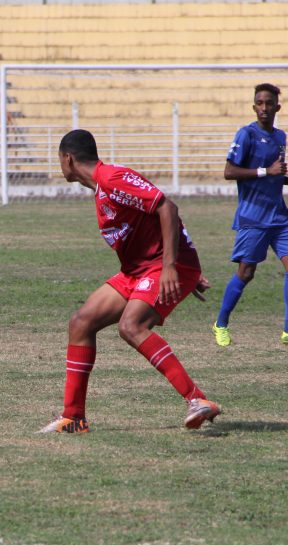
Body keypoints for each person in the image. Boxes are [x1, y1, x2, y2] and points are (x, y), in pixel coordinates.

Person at [41, 129, 221, 434]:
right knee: (81, 323)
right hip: (138, 270)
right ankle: (73, 417)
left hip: (157, 268)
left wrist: (171, 268)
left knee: (131, 326)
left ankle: (198, 400)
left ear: (67, 159)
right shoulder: (101, 187)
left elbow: (167, 207)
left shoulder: (112, 178)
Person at [212, 83, 288, 347]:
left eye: (268, 103)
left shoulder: (280, 136)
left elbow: (273, 173)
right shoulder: (246, 134)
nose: (264, 108)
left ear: (277, 107)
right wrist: (266, 171)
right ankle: (220, 323)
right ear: (254, 107)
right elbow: (229, 172)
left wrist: (286, 180)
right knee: (246, 272)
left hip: (279, 216)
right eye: (259, 103)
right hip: (253, 217)